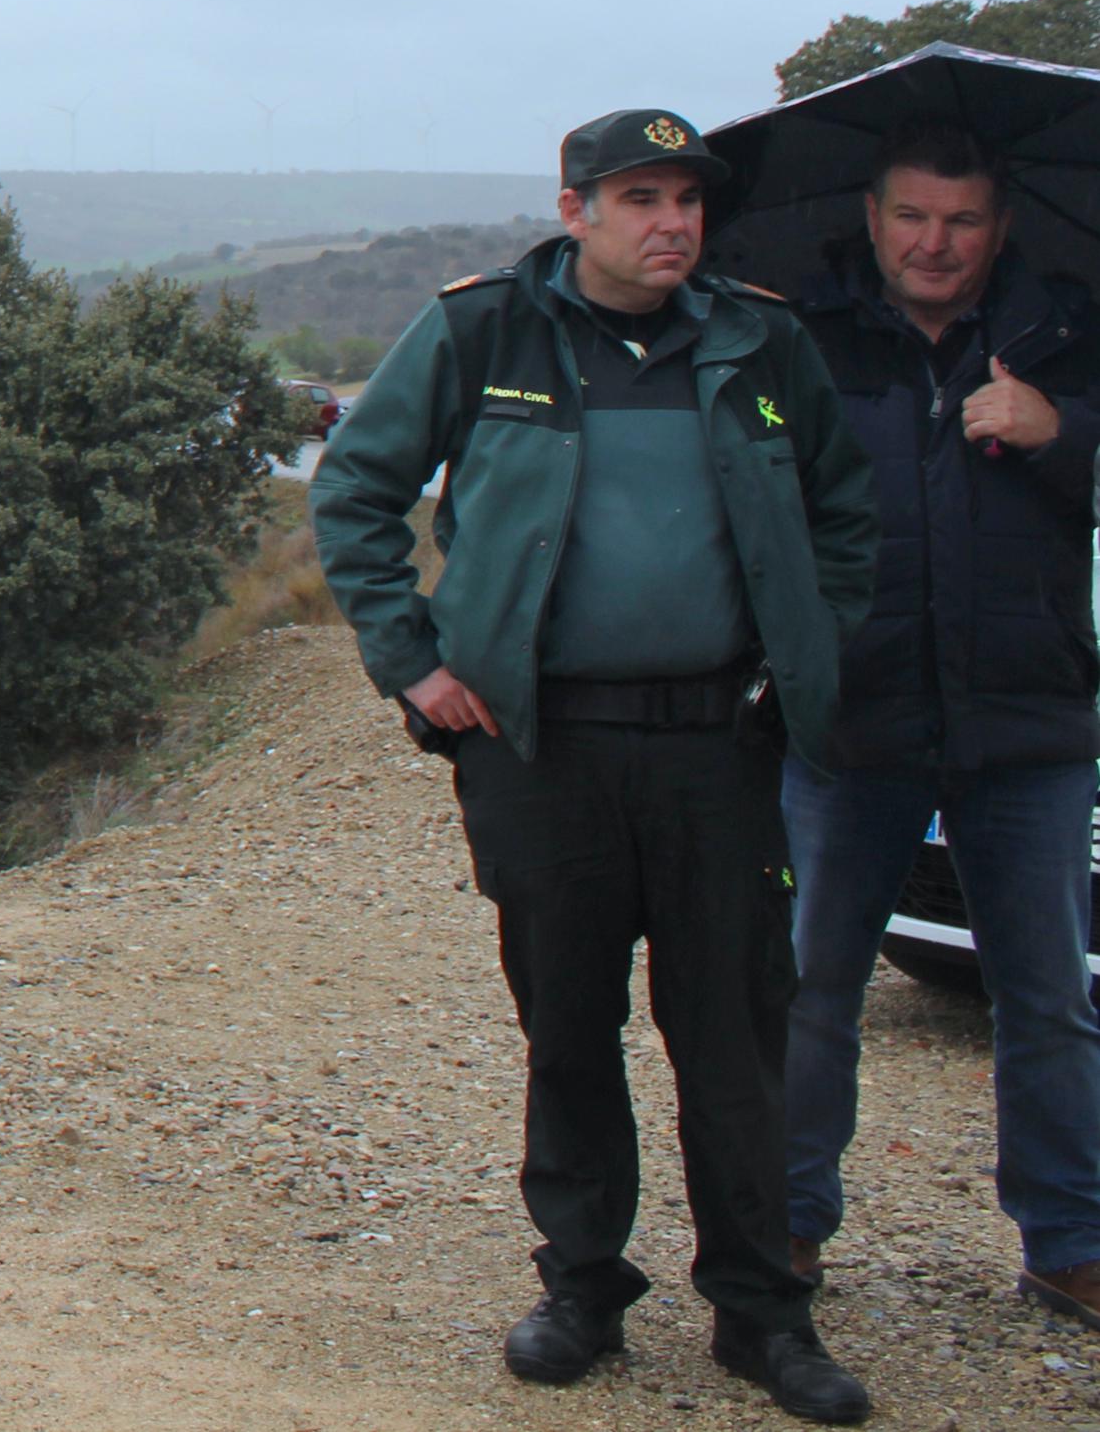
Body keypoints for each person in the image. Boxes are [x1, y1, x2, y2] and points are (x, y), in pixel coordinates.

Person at [316, 109, 881, 1423]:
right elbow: (352, 489)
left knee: (734, 1034)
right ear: (572, 208)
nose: (669, 222)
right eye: (638, 197)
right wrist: (412, 662)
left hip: (715, 747)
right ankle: (580, 1285)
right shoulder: (483, 331)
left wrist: (805, 646)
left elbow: (840, 511)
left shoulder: (759, 339)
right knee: (567, 1024)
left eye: (686, 198)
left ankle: (758, 1309)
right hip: (539, 746)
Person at [781, 118, 1100, 1319]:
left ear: (998, 226)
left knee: (1047, 998)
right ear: (870, 219)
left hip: (1026, 722)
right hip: (849, 722)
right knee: (811, 988)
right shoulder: (802, 341)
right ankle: (785, 1227)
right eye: (910, 216)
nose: (934, 242)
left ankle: (1068, 1242)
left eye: (961, 220)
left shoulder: (1066, 331)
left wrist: (1058, 429)